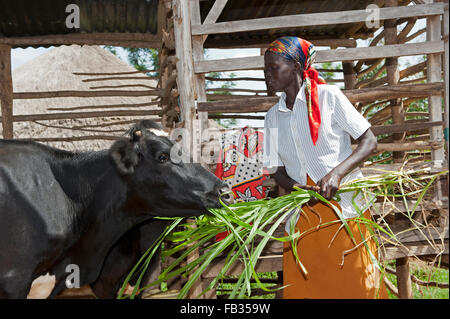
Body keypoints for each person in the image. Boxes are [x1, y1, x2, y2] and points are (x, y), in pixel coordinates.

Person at [262, 36, 388, 299]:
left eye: (274, 68)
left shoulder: (329, 98)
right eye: (265, 69)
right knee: (307, 289)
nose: (267, 75)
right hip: (303, 217)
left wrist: (336, 174)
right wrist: (297, 188)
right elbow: (274, 169)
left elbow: (369, 141)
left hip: (345, 211)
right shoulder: (272, 116)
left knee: (354, 287)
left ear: (296, 67)